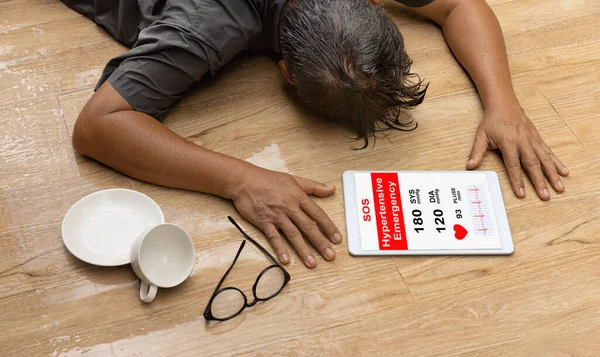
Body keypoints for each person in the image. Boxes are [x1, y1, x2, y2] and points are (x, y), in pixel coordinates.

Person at [65, 0, 568, 268]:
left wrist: (503, 102)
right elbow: (99, 125)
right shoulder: (207, 20)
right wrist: (240, 179)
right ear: (286, 74)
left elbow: (457, 5)